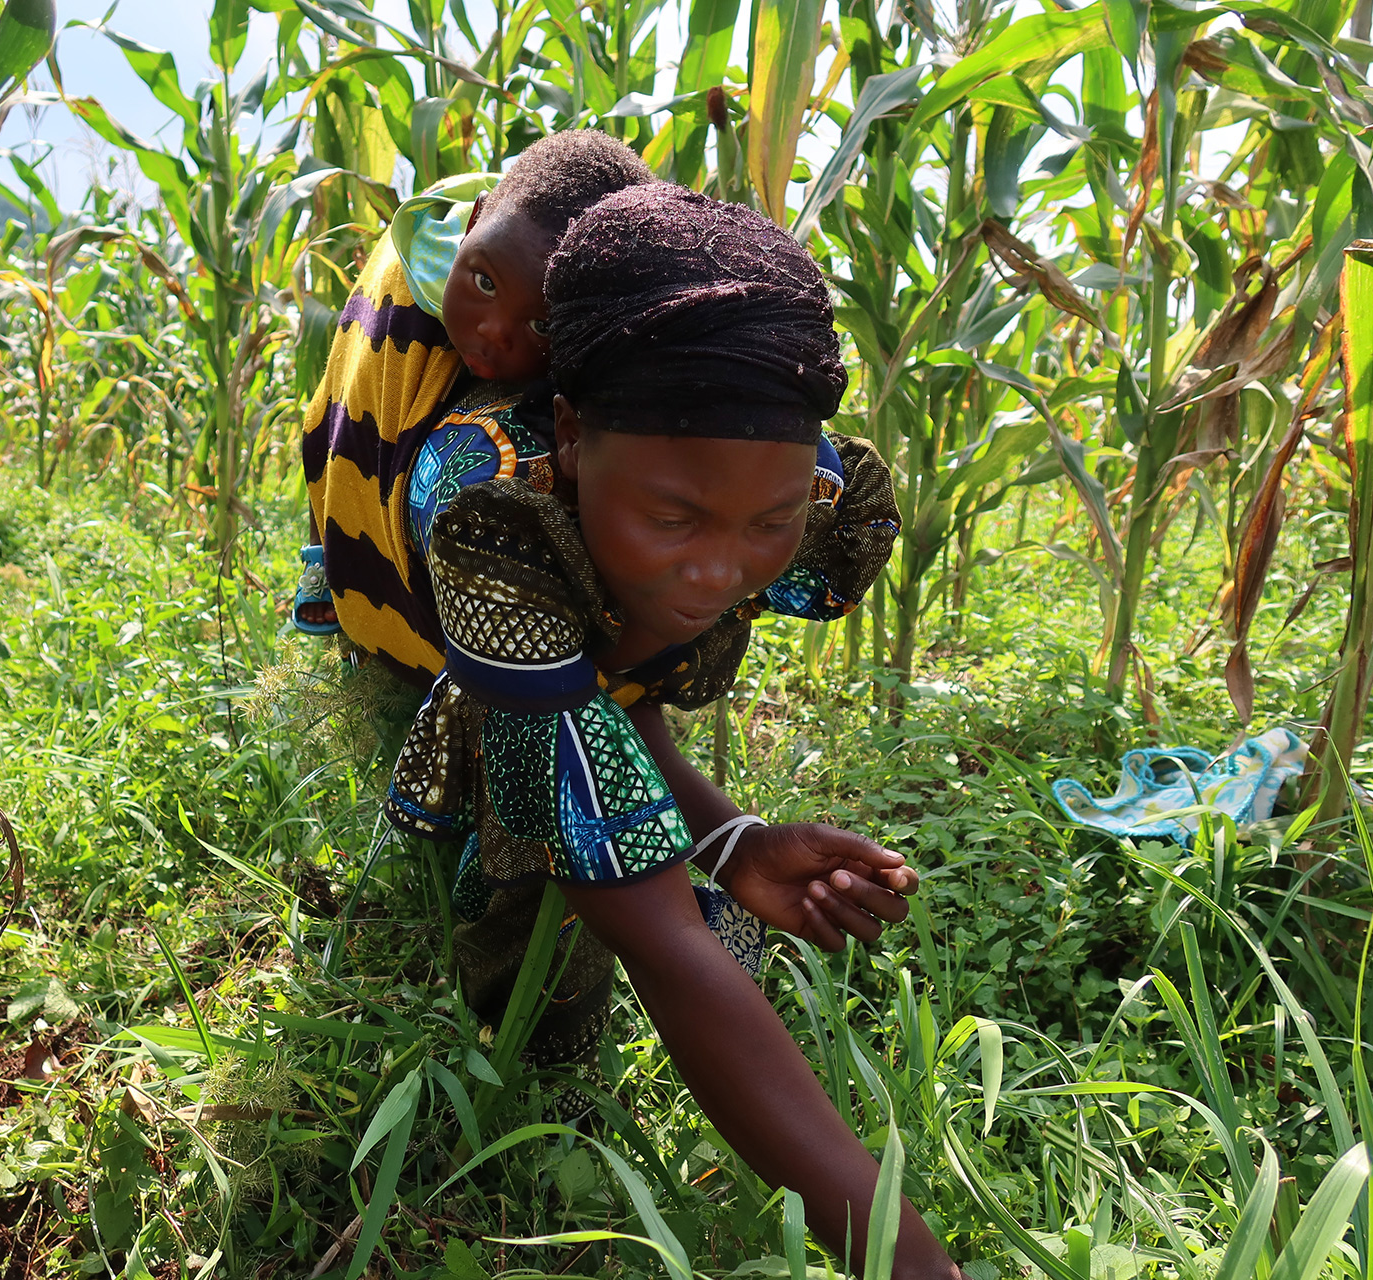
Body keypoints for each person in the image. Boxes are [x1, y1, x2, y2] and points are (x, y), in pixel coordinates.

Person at [381, 182, 961, 1278]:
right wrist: (917, 1266)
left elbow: (620, 689)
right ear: (570, 433)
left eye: (769, 524)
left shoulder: (797, 484)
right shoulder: (487, 507)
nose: (718, 571)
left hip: (567, 617)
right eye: (674, 518)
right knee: (507, 895)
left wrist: (731, 837)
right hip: (445, 617)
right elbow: (655, 928)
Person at [294, 131, 654, 665]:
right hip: (360, 425)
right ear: (474, 220)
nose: (491, 331)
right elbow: (350, 397)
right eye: (484, 284)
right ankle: (327, 560)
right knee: (337, 424)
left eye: (539, 324)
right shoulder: (423, 268)